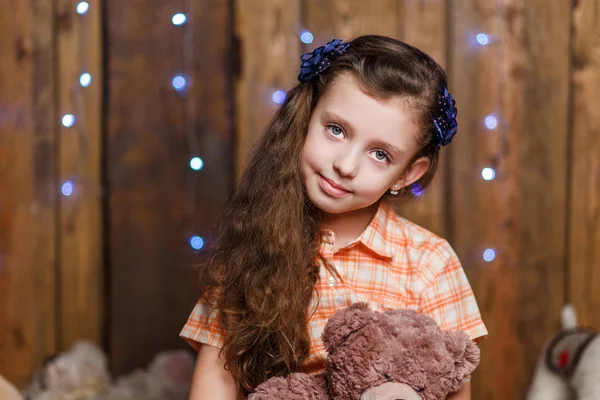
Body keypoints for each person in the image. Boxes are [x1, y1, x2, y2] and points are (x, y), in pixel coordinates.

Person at [181, 35, 488, 400]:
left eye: (380, 154)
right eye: (336, 130)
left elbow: (454, 386)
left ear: (408, 173)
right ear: (307, 118)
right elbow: (218, 376)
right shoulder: (252, 240)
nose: (345, 165)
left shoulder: (430, 263)